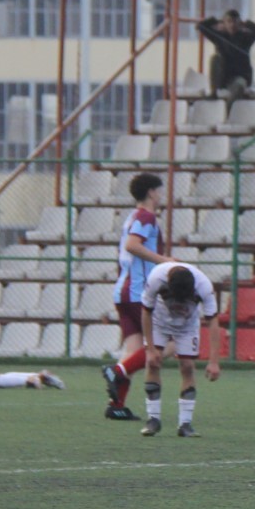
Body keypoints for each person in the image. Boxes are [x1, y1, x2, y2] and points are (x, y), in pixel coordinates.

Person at [102, 173, 173, 420]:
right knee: (168, 343)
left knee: (134, 349)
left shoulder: (132, 216)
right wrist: (164, 260)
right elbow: (133, 245)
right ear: (152, 192)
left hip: (124, 290)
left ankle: (117, 405)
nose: (161, 196)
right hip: (138, 292)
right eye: (159, 191)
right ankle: (117, 371)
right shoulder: (146, 216)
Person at [139, 261, 222, 437]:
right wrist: (151, 349)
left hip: (187, 325)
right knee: (152, 363)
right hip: (159, 322)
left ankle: (185, 424)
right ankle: (153, 419)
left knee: (187, 366)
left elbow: (213, 321)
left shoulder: (204, 286)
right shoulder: (156, 278)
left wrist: (214, 361)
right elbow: (145, 311)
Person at [196, 9, 255, 100]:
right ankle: (213, 93)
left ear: (239, 23)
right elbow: (200, 26)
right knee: (215, 58)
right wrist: (217, 21)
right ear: (224, 23)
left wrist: (244, 23)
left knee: (239, 86)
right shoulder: (219, 36)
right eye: (229, 22)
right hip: (223, 77)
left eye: (235, 22)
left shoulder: (246, 38)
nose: (232, 25)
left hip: (239, 77)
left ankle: (227, 111)